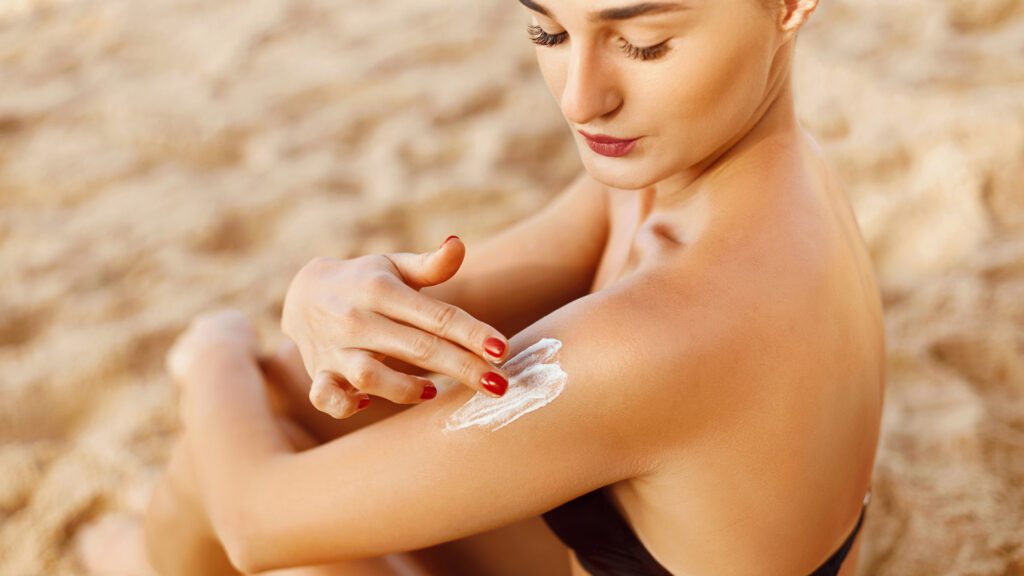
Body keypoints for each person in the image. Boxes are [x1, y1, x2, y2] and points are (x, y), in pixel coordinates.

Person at [83, 0, 885, 574]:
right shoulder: (721, 174)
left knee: (239, 464)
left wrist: (212, 348)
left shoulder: (671, 328)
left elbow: (258, 523)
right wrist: (328, 294)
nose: (580, 98)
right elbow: (427, 328)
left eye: (643, 44)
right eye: (547, 28)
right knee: (277, 407)